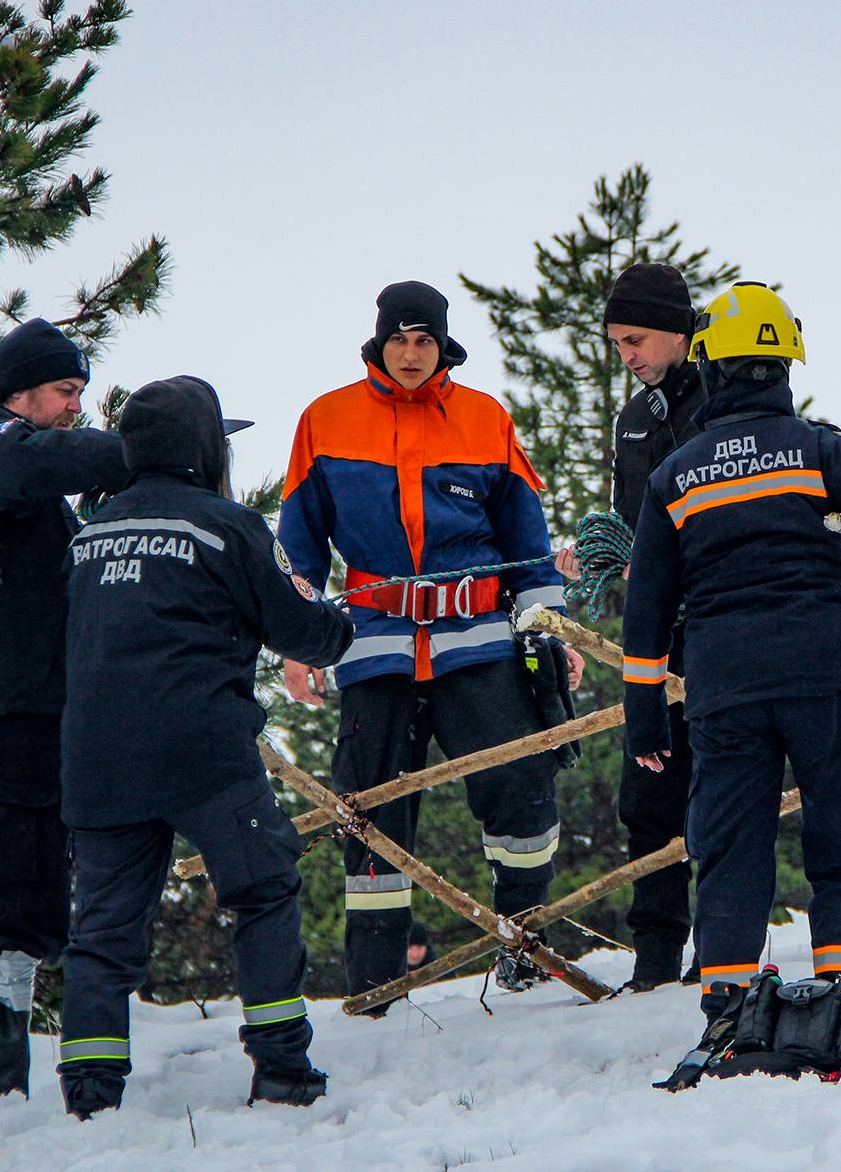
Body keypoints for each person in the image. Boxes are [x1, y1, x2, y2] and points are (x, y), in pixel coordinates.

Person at [619, 282, 841, 1066]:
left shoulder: (677, 474)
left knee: (731, 845)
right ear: (785, 362)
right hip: (823, 671)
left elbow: (647, 605)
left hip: (725, 686)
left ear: (711, 366)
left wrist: (644, 713)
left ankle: (728, 1002)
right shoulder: (818, 447)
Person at [54, 376, 354, 1116]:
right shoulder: (229, 525)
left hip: (95, 757)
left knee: (102, 926)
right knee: (263, 886)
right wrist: (338, 624)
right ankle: (282, 1065)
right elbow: (300, 628)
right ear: (204, 447)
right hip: (202, 750)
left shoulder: (87, 535)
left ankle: (91, 1094)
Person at [278, 280, 582, 1000]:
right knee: (370, 811)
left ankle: (524, 944)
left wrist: (550, 629)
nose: (412, 354)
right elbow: (299, 550)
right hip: (374, 644)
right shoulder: (326, 419)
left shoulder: (485, 418)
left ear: (444, 346)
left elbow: (528, 544)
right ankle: (378, 983)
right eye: (400, 339)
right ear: (379, 342)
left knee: (522, 786)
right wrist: (296, 642)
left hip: (478, 641)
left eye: (425, 341)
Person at [0, 318, 129, 1101]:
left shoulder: (15, 463)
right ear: (19, 392)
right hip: (6, 714)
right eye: (65, 391)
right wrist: (147, 443)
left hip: (25, 711)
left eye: (81, 391)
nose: (74, 407)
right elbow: (36, 459)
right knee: (26, 902)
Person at [554, 261, 707, 991]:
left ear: (678, 329)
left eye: (637, 338)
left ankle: (722, 943)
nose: (629, 356)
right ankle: (654, 956)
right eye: (617, 343)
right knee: (648, 786)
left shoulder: (726, 391)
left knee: (722, 784)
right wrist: (598, 552)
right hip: (654, 628)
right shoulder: (635, 418)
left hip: (719, 620)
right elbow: (627, 518)